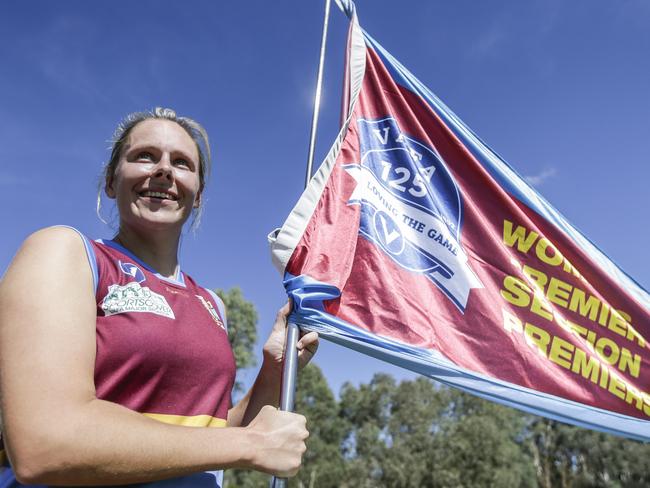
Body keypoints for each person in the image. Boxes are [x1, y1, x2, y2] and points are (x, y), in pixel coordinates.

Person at [0, 108, 319, 487]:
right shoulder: (66, 253)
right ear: (110, 181)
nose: (164, 170)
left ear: (198, 194)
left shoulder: (211, 303)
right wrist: (247, 443)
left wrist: (273, 371)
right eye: (145, 156)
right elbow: (46, 443)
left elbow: (206, 438)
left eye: (182, 163)